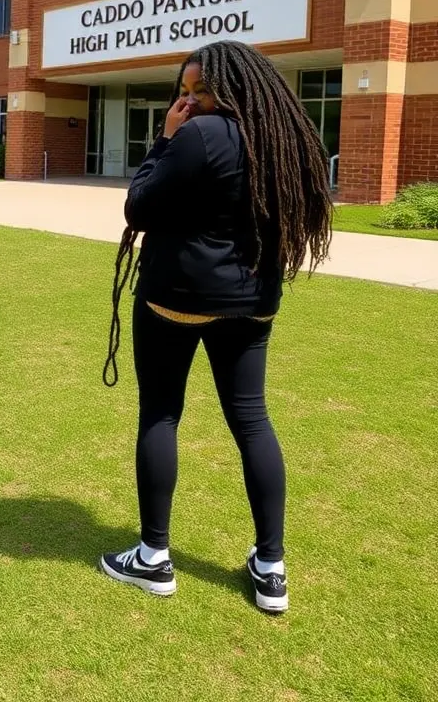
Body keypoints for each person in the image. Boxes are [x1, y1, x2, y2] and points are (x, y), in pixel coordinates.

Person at [99, 40, 332, 614]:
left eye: (200, 90)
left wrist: (163, 140)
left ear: (231, 87)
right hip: (252, 300)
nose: (190, 101)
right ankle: (270, 568)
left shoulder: (198, 136)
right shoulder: (285, 137)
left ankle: (154, 558)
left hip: (176, 297)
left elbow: (138, 207)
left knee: (161, 413)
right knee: (252, 421)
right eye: (184, 92)